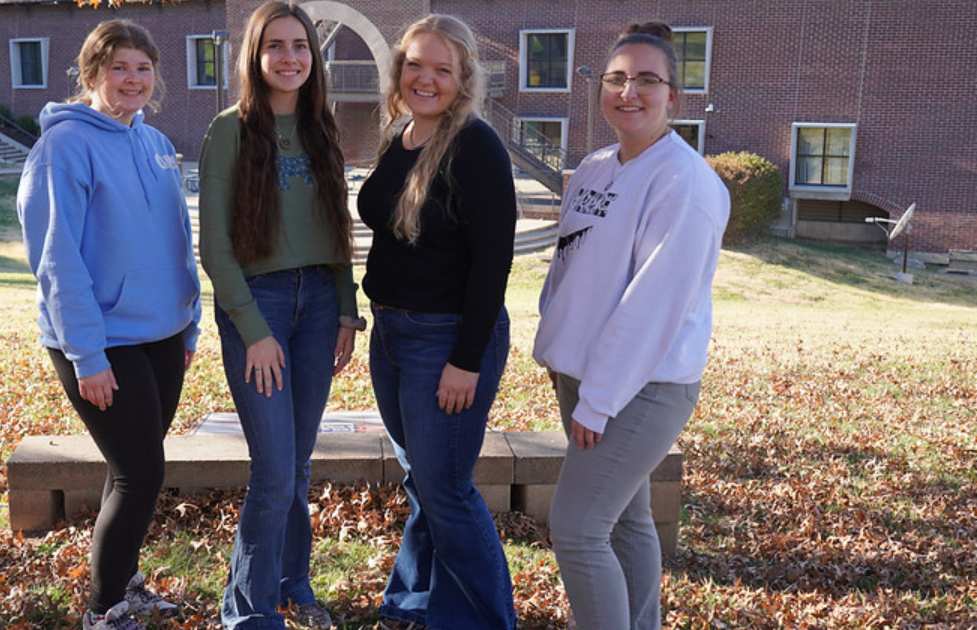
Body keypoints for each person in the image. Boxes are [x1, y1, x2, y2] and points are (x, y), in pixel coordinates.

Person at [533, 21, 730, 630]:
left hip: (638, 386)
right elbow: (572, 266)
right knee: (626, 521)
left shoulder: (685, 181)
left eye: (648, 80)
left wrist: (596, 401)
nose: (629, 92)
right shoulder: (594, 166)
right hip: (584, 373)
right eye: (617, 79)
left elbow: (654, 307)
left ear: (674, 95)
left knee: (578, 529)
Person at [16, 19, 201, 630]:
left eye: (143, 69)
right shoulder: (63, 146)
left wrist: (188, 324)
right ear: (91, 74)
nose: (132, 80)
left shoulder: (152, 141)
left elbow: (177, 238)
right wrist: (87, 354)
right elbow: (55, 255)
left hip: (161, 337)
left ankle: (124, 582)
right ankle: (105, 611)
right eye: (119, 68)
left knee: (136, 468)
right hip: (102, 342)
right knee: (140, 472)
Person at [197, 2, 362, 628]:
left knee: (296, 464)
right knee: (271, 469)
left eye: (300, 46)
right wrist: (254, 332)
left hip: (320, 305)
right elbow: (215, 248)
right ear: (255, 56)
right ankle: (249, 613)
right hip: (257, 304)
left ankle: (294, 584)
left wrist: (347, 311)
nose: (290, 57)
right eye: (276, 46)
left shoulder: (323, 129)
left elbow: (337, 232)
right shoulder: (230, 130)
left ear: (313, 57)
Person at [357, 14, 518, 630]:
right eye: (415, 64)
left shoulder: (475, 146)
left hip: (445, 340)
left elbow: (492, 261)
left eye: (441, 69)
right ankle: (414, 603)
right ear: (399, 71)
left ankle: (486, 620)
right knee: (422, 481)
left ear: (463, 78)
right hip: (394, 335)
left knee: (446, 491)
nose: (425, 78)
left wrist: (466, 359)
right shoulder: (402, 134)